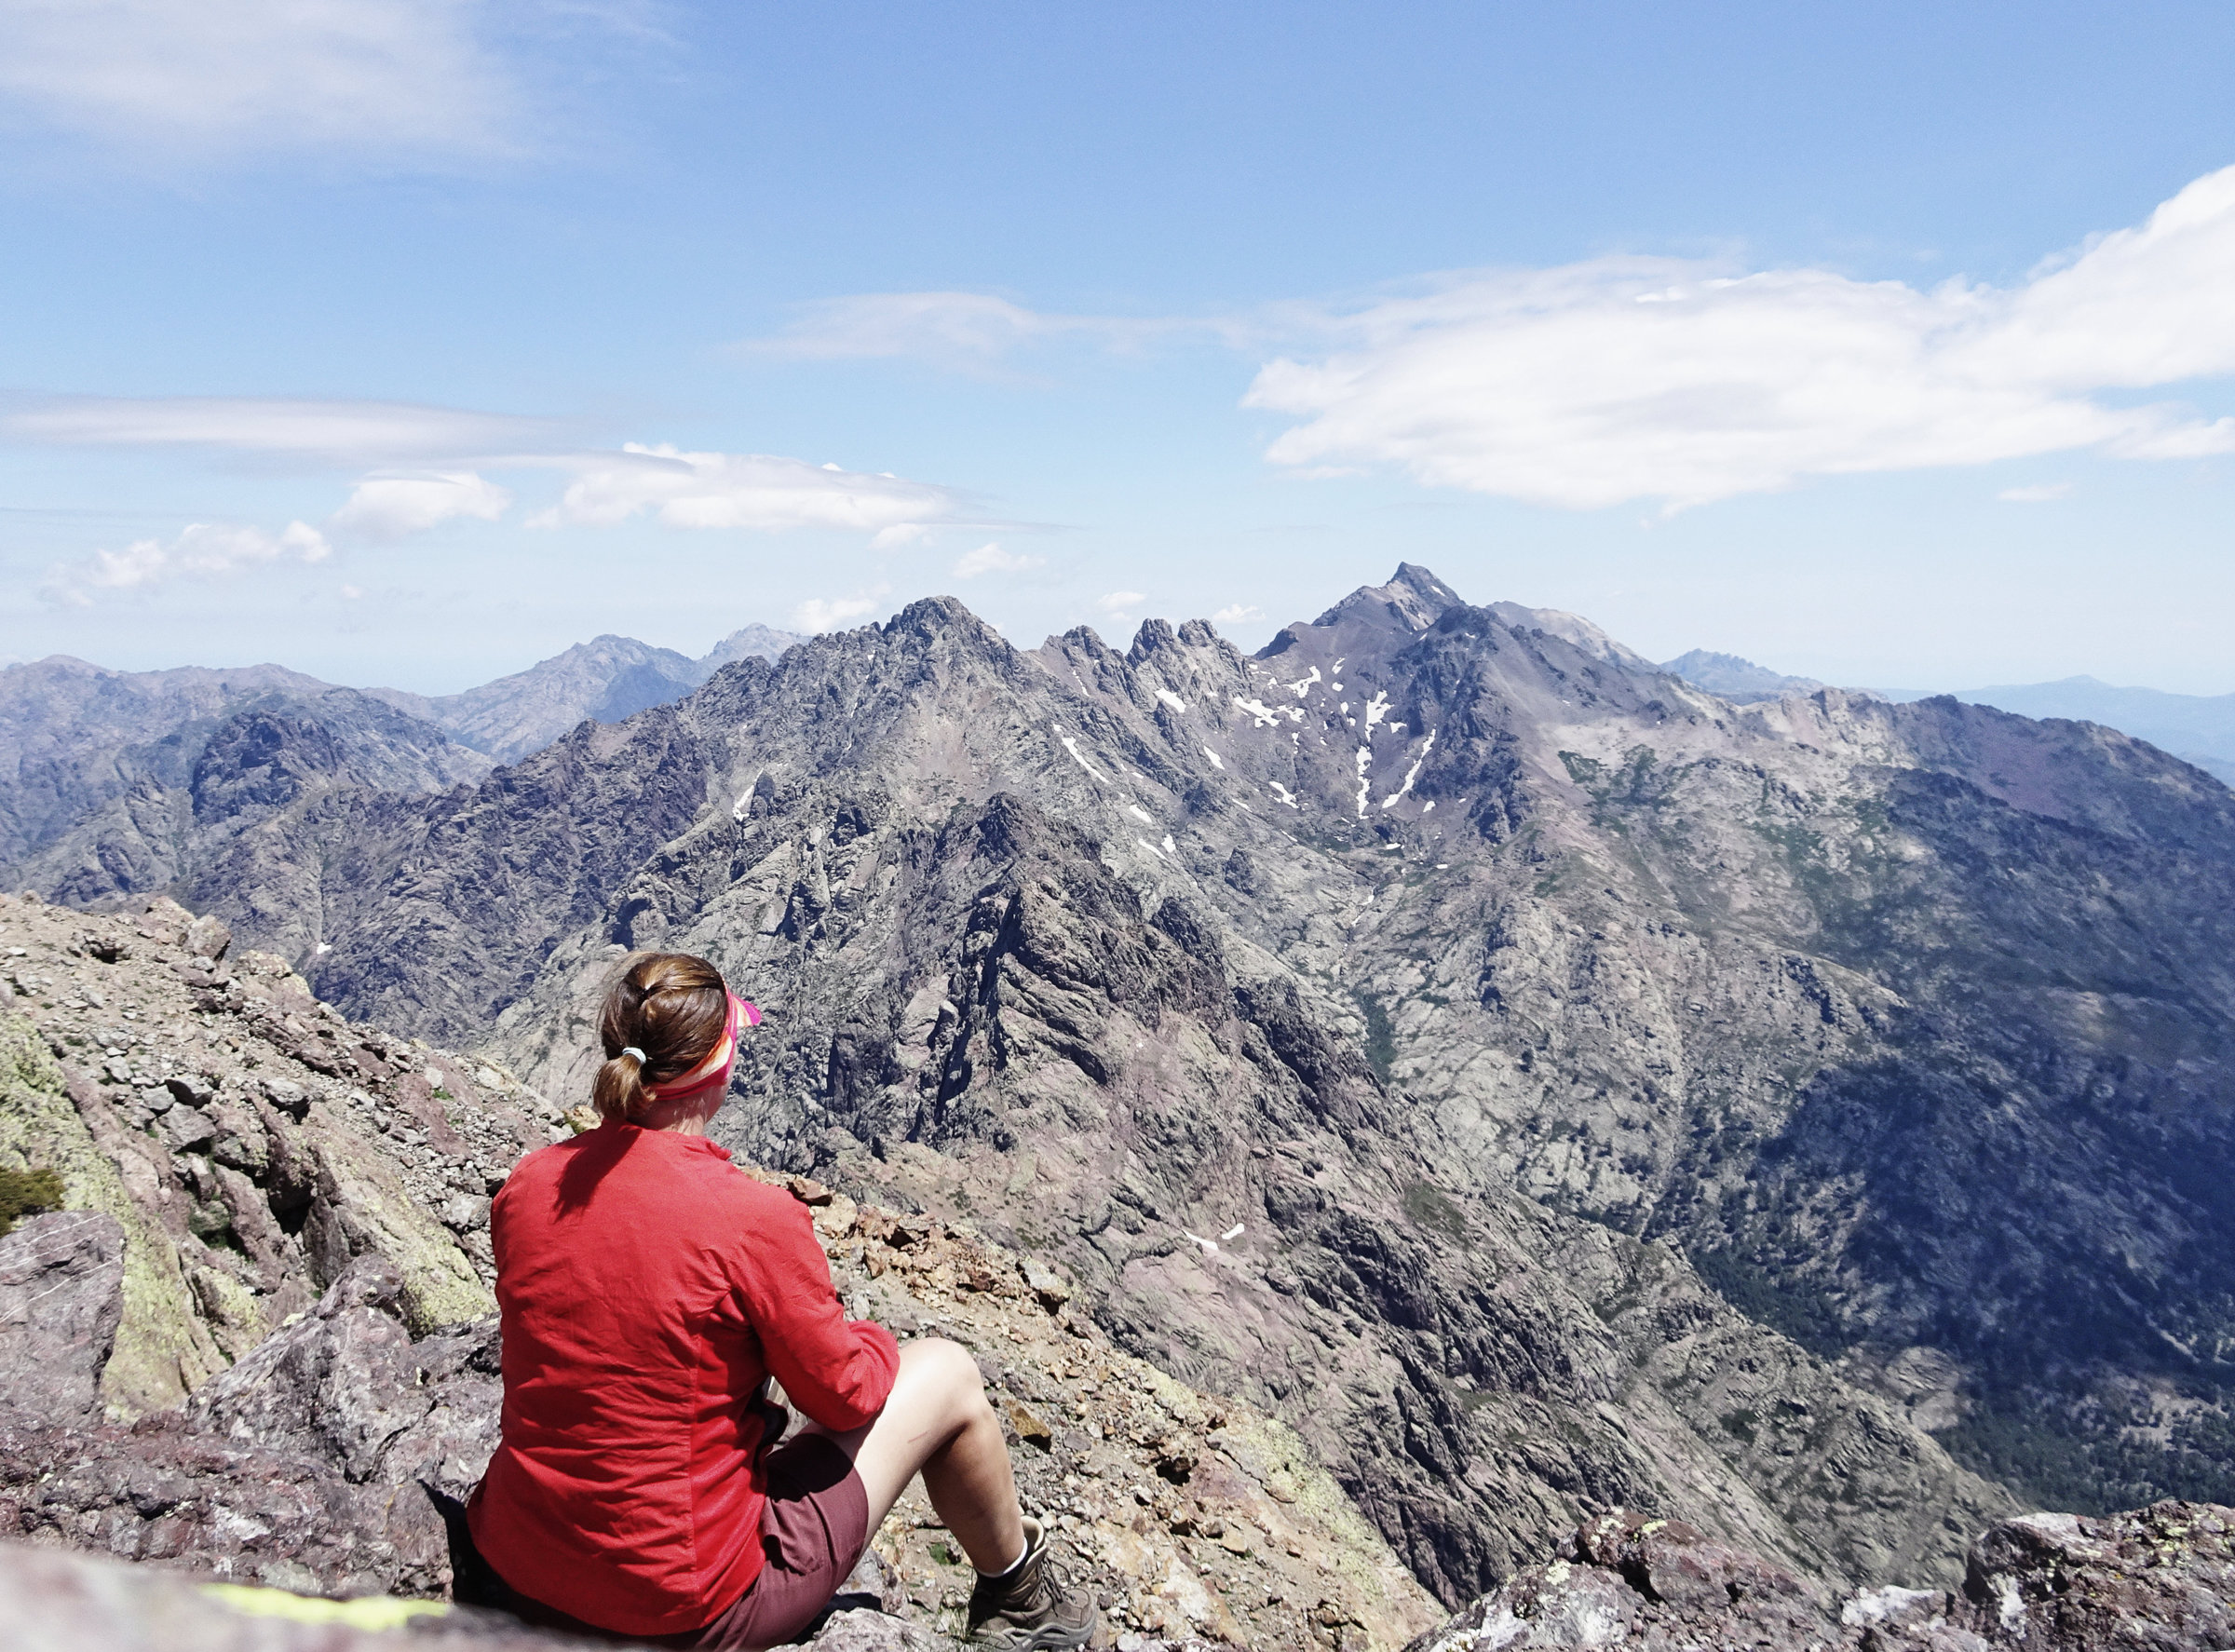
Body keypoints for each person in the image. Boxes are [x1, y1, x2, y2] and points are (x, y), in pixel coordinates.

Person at [457, 951, 1098, 1651]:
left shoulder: (530, 1182)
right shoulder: (752, 1220)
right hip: (684, 1608)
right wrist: (874, 1342)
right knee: (947, 1373)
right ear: (718, 1066)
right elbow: (844, 1399)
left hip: (514, 1568)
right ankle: (1021, 1601)